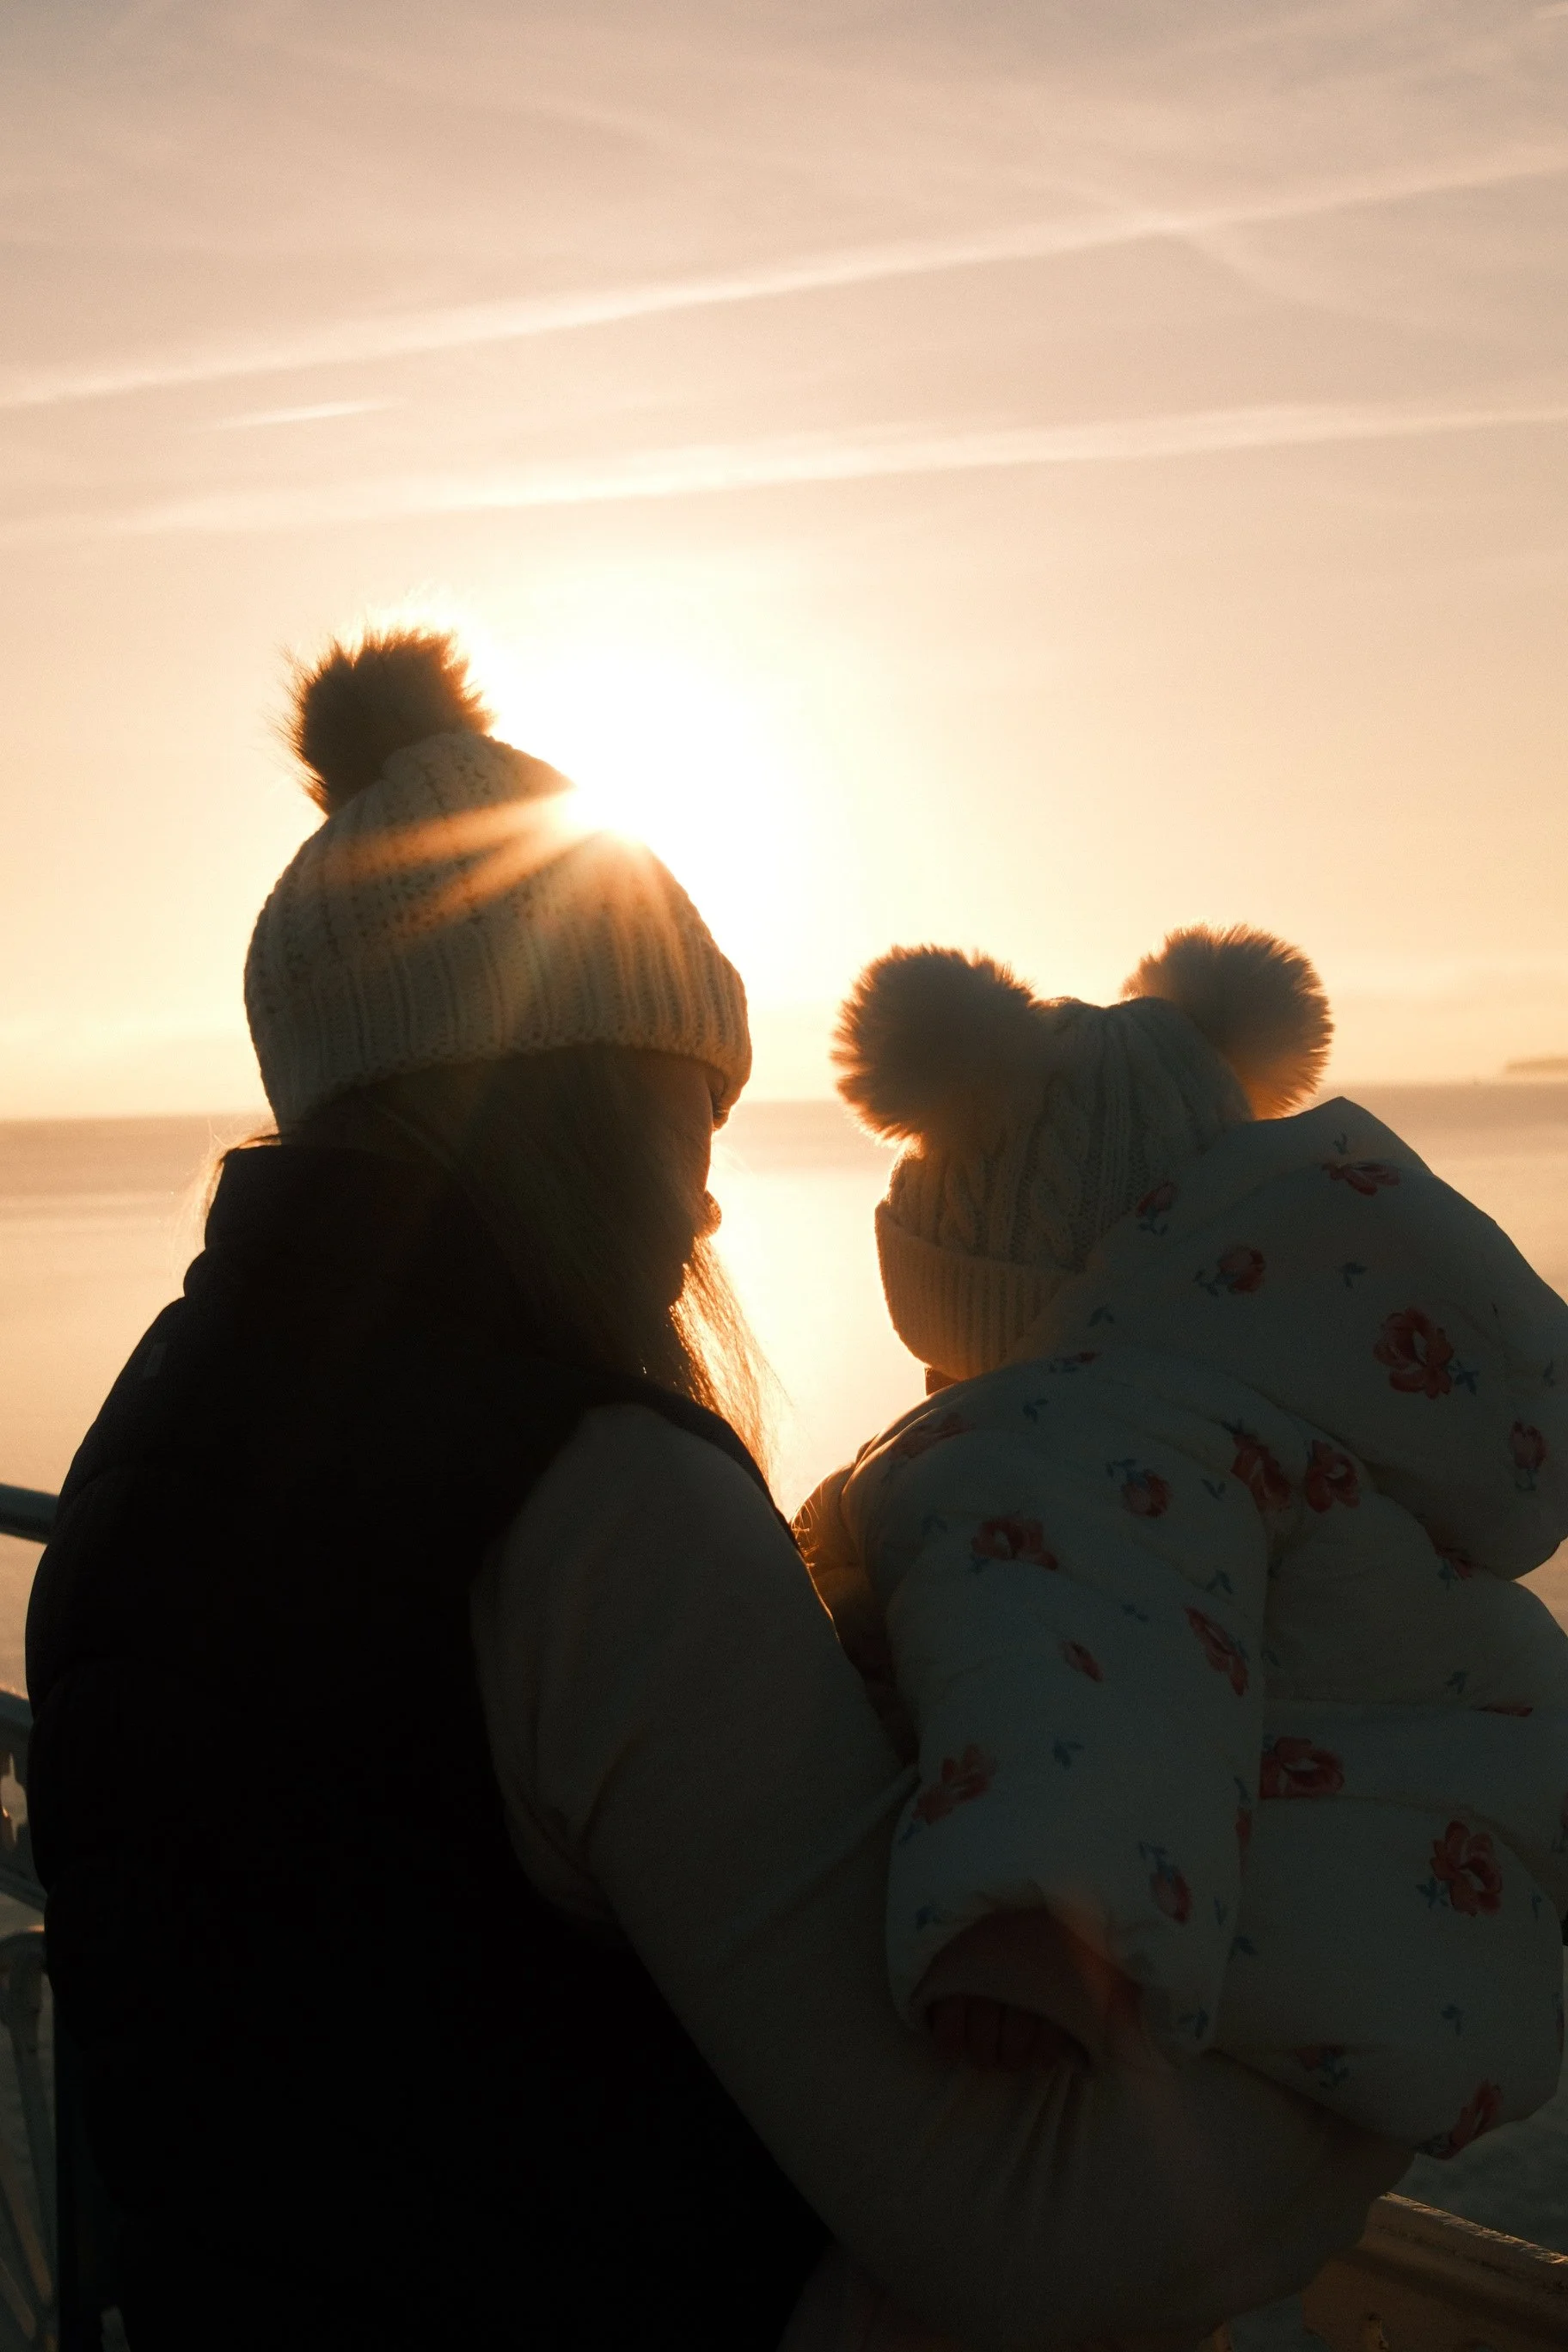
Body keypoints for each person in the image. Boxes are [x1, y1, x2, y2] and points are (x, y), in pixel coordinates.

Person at [27, 631, 1403, 2350]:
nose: (708, 1210)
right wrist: (1424, 2008)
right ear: (589, 1105)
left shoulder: (160, 1428)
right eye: (692, 1120)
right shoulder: (579, 1498)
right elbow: (1023, 2227)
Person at [798, 930, 1568, 2157]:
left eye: (943, 1352)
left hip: (1229, 1965)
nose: (933, 1382)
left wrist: (1035, 1922)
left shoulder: (1072, 1442)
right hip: (1452, 1950)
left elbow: (1094, 1664)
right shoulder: (1296, 1451)